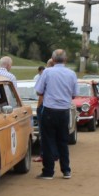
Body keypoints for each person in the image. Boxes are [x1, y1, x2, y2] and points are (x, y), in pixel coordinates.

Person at [34, 49, 77, 180]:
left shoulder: (47, 72)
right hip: (64, 111)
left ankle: (48, 171)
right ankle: (66, 170)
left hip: (49, 110)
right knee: (63, 141)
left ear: (52, 60)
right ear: (65, 59)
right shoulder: (71, 73)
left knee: (47, 141)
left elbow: (39, 91)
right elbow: (74, 94)